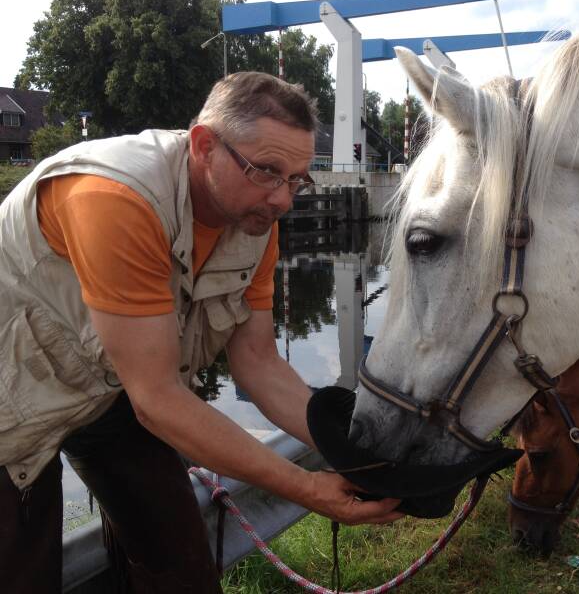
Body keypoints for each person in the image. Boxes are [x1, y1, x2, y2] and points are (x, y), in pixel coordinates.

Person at [0, 72, 402, 594]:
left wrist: (354, 454)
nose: (283, 199)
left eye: (298, 179)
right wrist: (306, 486)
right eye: (267, 172)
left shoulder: (256, 220)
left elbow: (258, 363)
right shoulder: (117, 198)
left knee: (180, 566)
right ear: (204, 145)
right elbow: (159, 400)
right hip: (15, 400)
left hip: (112, 386)